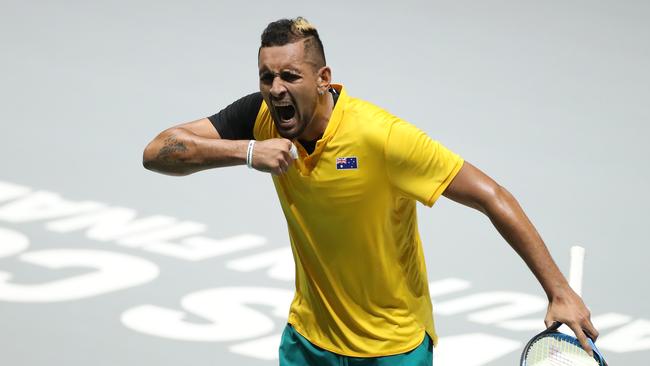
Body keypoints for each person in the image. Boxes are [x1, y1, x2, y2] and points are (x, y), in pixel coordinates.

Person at [142, 16, 598, 366]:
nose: (276, 89)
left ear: (323, 78)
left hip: (393, 347)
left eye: (290, 77)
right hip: (309, 341)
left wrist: (558, 289)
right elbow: (158, 150)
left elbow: (491, 195)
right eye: (266, 77)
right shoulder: (258, 118)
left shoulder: (382, 138)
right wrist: (245, 152)